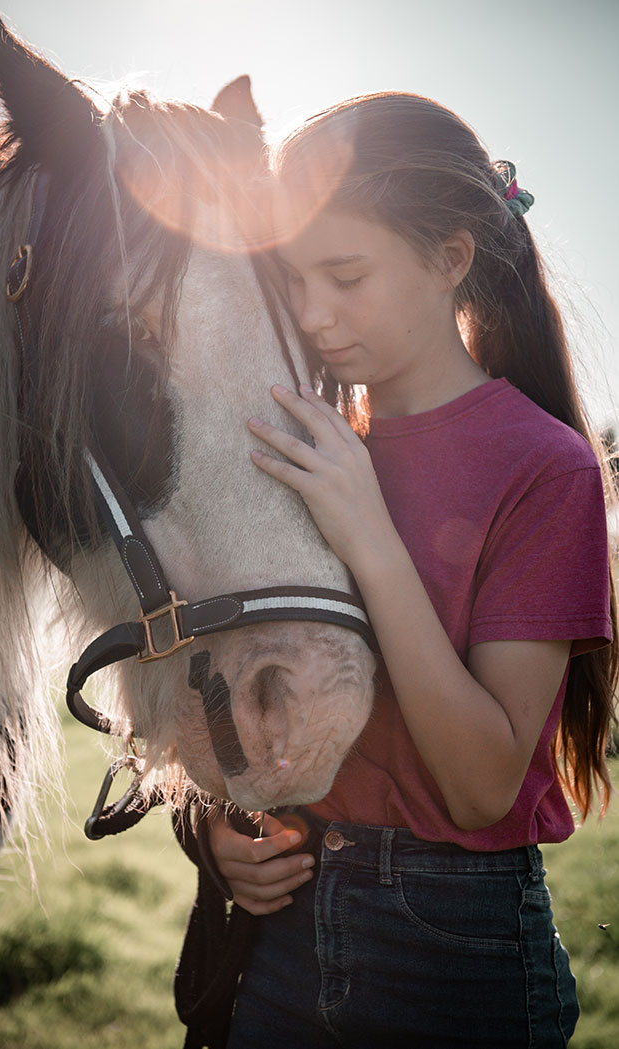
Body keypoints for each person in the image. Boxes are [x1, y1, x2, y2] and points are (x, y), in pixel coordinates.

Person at [206, 93, 618, 1048]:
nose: (312, 313)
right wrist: (227, 829)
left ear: (450, 260)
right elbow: (247, 685)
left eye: (345, 274)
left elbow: (480, 785)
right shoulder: (305, 445)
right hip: (288, 926)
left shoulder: (545, 466)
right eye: (294, 278)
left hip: (456, 942)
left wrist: (371, 538)